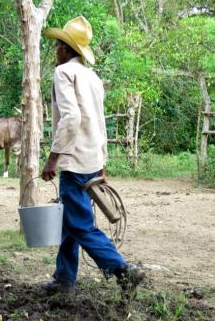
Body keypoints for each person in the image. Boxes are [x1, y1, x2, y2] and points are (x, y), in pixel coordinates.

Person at [40, 16, 145, 297]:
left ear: (65, 49)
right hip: (91, 160)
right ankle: (64, 279)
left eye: (58, 46)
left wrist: (52, 159)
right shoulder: (92, 77)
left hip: (73, 162)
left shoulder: (64, 73)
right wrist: (102, 163)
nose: (55, 51)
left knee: (79, 225)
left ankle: (122, 270)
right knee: (69, 220)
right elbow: (99, 122)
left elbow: (72, 119)